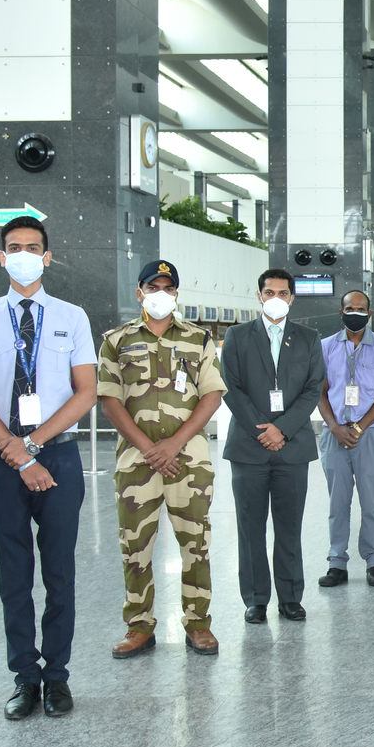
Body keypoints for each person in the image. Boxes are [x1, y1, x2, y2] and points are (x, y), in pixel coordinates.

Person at [0, 215, 98, 720]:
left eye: (32, 247)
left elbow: (86, 392)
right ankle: (24, 677)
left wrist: (33, 446)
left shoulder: (72, 317)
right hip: (2, 460)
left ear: (47, 256)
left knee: (59, 572)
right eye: (13, 247)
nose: (23, 254)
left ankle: (56, 675)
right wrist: (16, 453)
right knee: (13, 575)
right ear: (2, 258)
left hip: (57, 454)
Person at [96, 261, 226, 658]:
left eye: (168, 288)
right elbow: (109, 400)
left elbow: (212, 396)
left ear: (176, 294)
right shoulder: (116, 340)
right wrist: (149, 448)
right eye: (153, 287)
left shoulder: (198, 339)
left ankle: (198, 624)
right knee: (135, 547)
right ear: (140, 292)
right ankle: (139, 626)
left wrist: (173, 445)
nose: (161, 294)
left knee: (196, 544)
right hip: (137, 463)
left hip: (189, 461)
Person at [220, 268, 326, 623]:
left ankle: (290, 597)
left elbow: (313, 388)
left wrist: (282, 429)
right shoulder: (237, 336)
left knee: (289, 527)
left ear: (292, 298)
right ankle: (255, 598)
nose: (276, 299)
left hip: (292, 447)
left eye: (283, 293)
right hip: (248, 448)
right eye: (269, 293)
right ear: (259, 296)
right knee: (250, 528)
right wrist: (261, 430)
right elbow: (230, 387)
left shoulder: (308, 338)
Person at [317, 289, 374, 587]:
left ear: (369, 313)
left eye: (361, 309)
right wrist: (335, 427)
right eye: (350, 309)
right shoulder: (325, 347)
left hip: (369, 435)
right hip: (334, 434)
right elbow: (319, 392)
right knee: (337, 503)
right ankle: (337, 563)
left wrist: (359, 428)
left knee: (371, 501)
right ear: (341, 313)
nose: (355, 313)